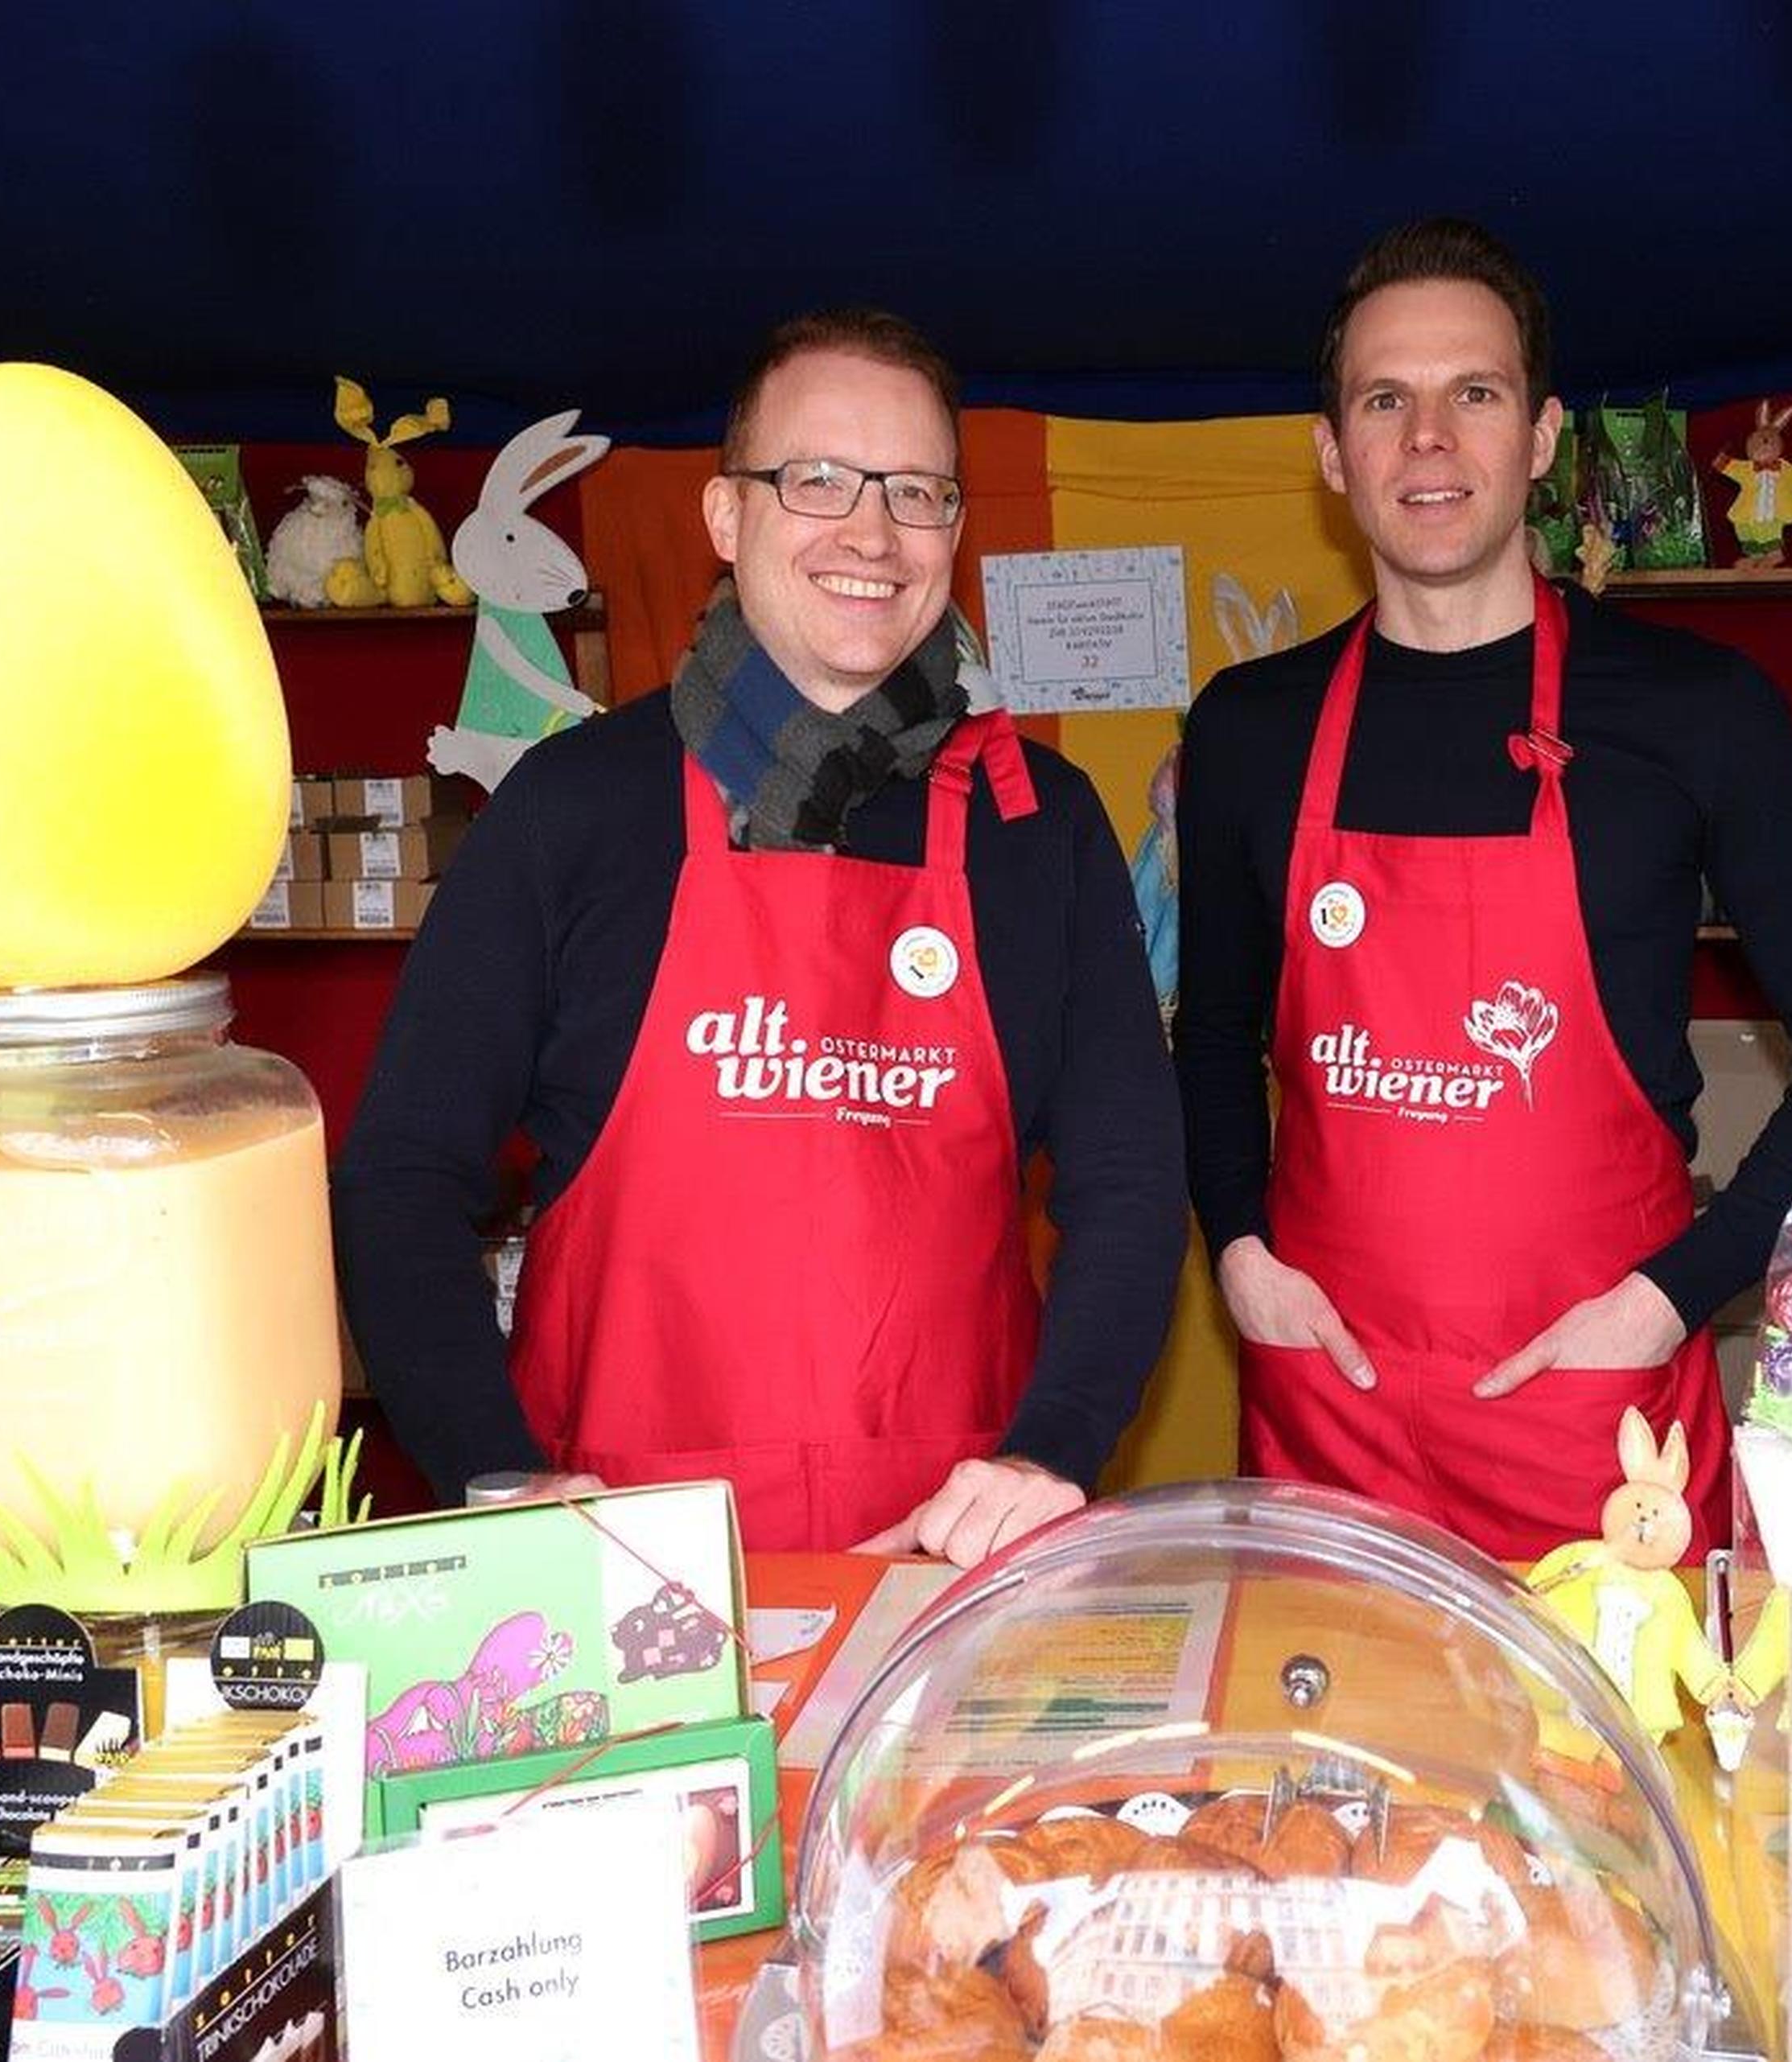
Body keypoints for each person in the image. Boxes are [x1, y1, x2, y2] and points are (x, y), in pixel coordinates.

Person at [336, 310, 1186, 1567]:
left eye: (917, 491)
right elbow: (400, 1174)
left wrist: (1050, 1453)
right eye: (818, 480)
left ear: (955, 529)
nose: (873, 532)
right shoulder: (573, 809)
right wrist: (495, 1474)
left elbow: (1131, 1178)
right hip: (619, 1565)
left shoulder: (1035, 824)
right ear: (727, 518)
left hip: (948, 1564)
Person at [1173, 221, 1792, 1560]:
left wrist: (1675, 1297)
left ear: (1544, 436)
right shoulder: (1249, 728)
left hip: (1596, 1421)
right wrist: (1240, 1256)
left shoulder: (1701, 712)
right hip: (1327, 1419)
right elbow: (1211, 1032)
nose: (1430, 438)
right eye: (1385, 399)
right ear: (1333, 452)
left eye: (1478, 393)